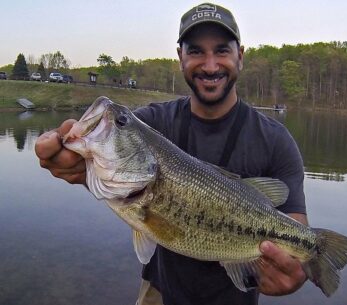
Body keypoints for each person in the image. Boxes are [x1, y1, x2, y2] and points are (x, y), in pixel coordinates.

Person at [35, 3, 308, 305]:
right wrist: (77, 166)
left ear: (239, 56)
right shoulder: (153, 124)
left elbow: (297, 228)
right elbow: (115, 172)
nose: (210, 64)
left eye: (221, 50)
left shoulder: (276, 141)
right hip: (160, 293)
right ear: (180, 57)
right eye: (195, 51)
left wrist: (299, 269)